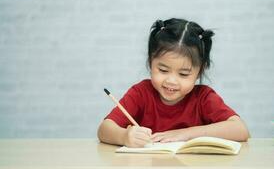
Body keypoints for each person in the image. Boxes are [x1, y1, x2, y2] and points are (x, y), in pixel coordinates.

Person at [98, 18, 249, 147]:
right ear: (151, 62)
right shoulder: (141, 93)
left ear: (199, 72)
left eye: (183, 74)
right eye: (163, 70)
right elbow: (104, 129)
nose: (171, 81)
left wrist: (184, 134)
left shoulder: (204, 98)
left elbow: (241, 130)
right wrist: (124, 136)